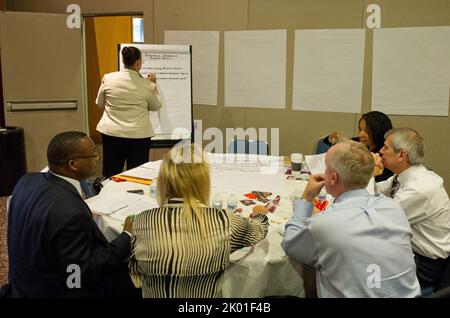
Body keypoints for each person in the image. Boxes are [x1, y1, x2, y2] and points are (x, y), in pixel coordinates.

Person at [282, 140, 420, 297]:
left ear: (333, 178)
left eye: (326, 168)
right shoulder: (394, 208)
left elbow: (291, 243)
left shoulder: (326, 224)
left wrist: (307, 197)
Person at [128, 143, 269, 298]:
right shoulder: (224, 222)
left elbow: (136, 276)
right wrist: (259, 214)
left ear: (163, 181)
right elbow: (258, 230)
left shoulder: (142, 222)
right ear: (203, 181)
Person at [7, 131, 138, 298]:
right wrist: (126, 235)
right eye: (94, 154)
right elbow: (83, 271)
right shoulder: (72, 212)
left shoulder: (27, 180)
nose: (98, 158)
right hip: (54, 290)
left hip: (23, 282)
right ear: (73, 164)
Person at [374, 127, 450, 293]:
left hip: (427, 265)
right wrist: (365, 177)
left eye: (385, 147)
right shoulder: (405, 175)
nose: (380, 151)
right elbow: (377, 190)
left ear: (402, 155)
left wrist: (369, 175)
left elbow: (379, 220)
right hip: (414, 252)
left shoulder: (418, 189)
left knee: (363, 263)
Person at [96, 46, 162, 178]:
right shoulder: (147, 85)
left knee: (111, 172)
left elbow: (99, 104)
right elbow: (156, 106)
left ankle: (109, 196)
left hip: (111, 133)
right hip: (138, 136)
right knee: (137, 175)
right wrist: (154, 85)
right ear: (138, 62)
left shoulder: (108, 78)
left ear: (123, 61)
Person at [320, 111, 394, 182]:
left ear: (378, 131)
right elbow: (330, 141)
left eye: (366, 131)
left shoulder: (384, 157)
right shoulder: (357, 142)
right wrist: (332, 139)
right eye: (360, 129)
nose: (361, 134)